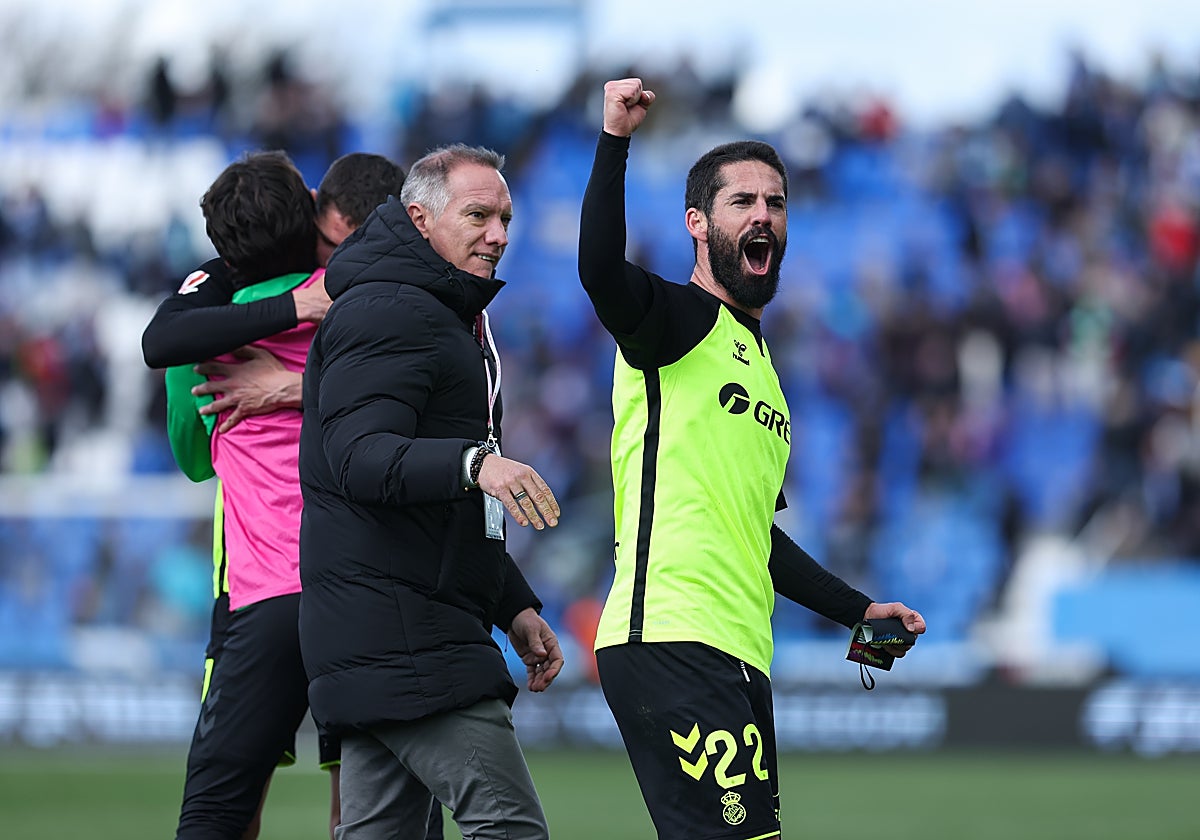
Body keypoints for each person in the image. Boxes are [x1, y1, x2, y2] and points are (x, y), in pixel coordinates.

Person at [578, 78, 928, 840]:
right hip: (669, 636)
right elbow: (601, 274)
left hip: (737, 649)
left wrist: (856, 611)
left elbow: (756, 540)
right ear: (698, 224)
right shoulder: (673, 322)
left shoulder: (764, 372)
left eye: (775, 202)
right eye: (742, 202)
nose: (763, 214)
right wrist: (614, 140)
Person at [143, 151, 447, 840]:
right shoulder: (370, 302)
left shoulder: (210, 332)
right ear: (313, 215)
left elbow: (194, 460)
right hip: (367, 587)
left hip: (264, 593)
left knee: (222, 805)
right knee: (370, 810)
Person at [298, 144, 563, 840]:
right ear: (420, 219)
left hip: (382, 634)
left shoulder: (434, 311)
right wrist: (478, 462)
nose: (499, 235)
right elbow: (359, 458)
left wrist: (512, 605)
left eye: (506, 218)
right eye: (478, 215)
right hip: (408, 641)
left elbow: (430, 505)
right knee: (508, 827)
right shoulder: (393, 309)